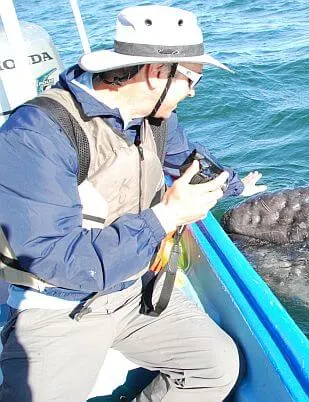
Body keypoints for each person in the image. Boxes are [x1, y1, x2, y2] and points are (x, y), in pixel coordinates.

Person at [0, 5, 265, 401]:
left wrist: (234, 186)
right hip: (61, 306)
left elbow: (188, 160)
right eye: (192, 80)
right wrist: (168, 215)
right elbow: (58, 261)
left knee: (215, 365)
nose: (193, 92)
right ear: (158, 73)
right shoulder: (35, 136)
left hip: (131, 288)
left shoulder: (153, 118)